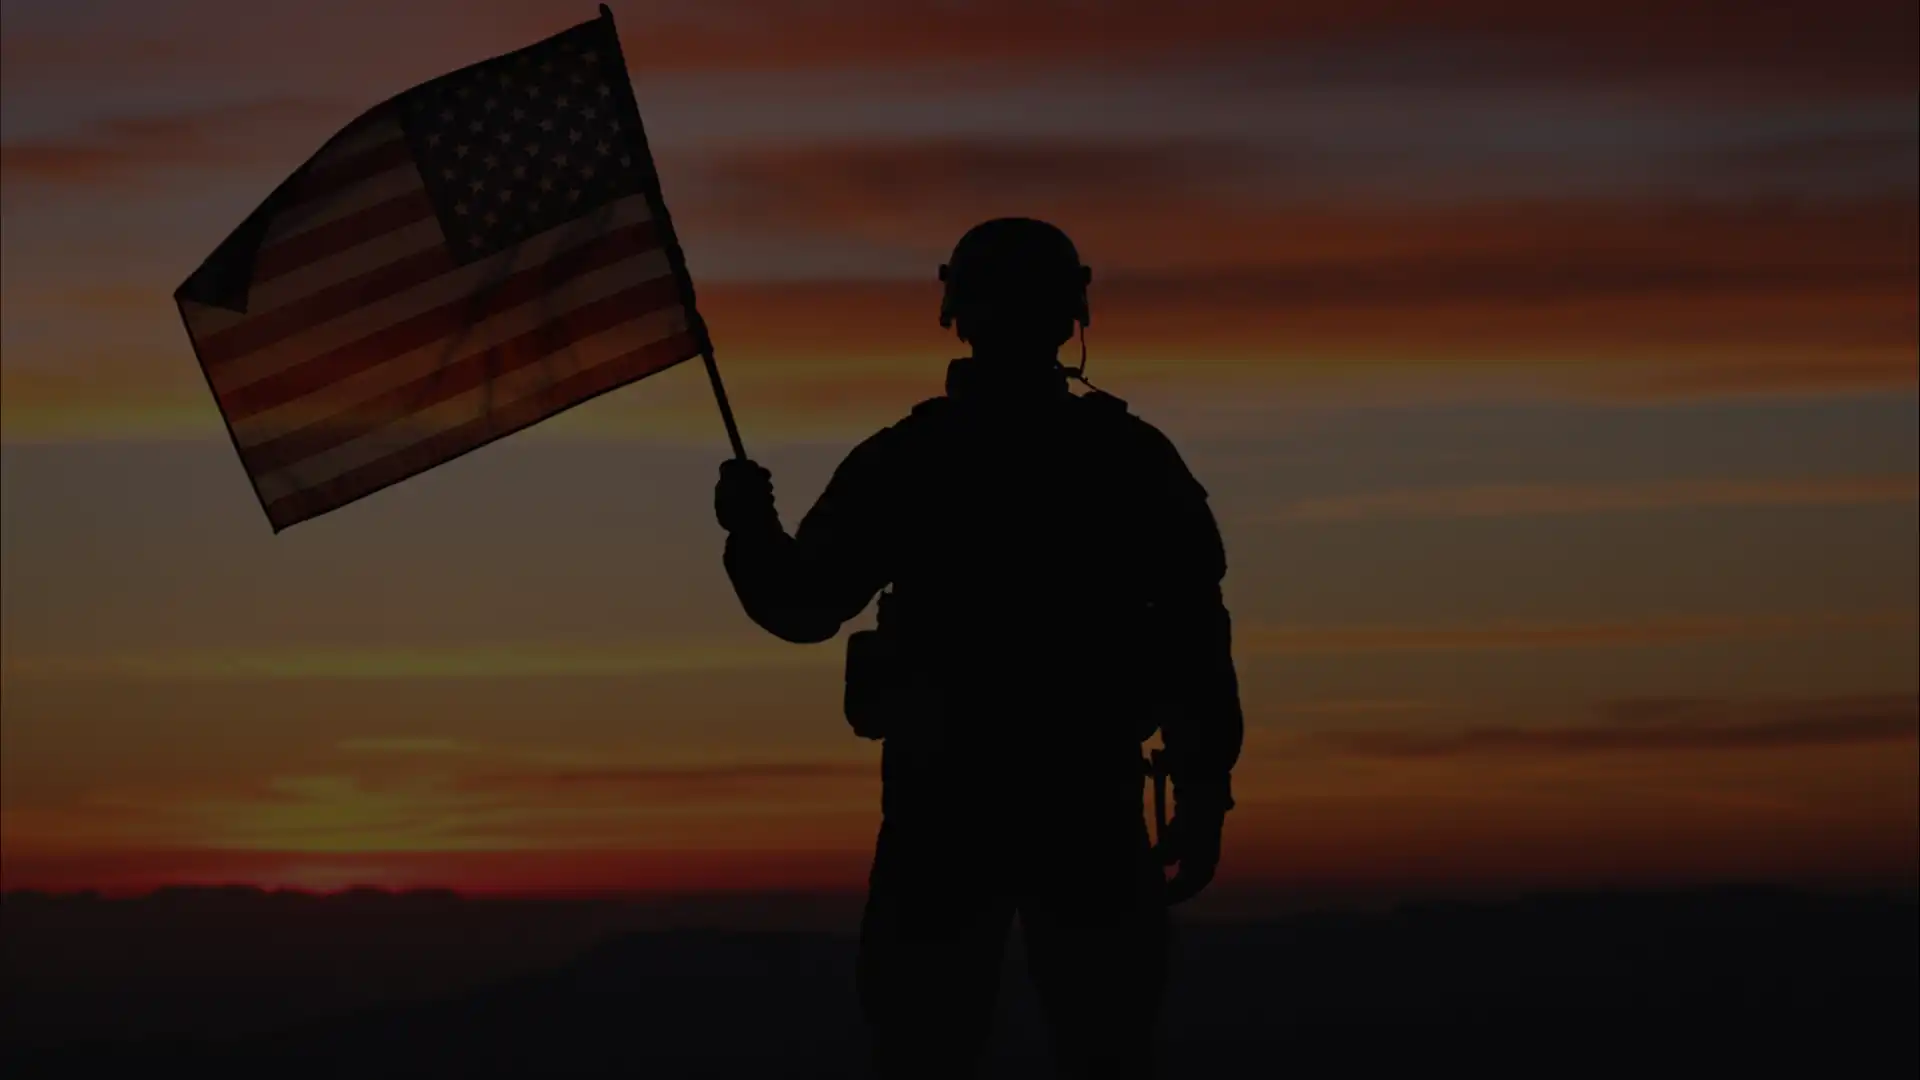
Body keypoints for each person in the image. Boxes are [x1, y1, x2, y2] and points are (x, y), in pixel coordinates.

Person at [713, 218, 1243, 1079]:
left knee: (927, 1037)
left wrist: (748, 525)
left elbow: (804, 604)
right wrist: (1204, 788)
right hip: (1079, 796)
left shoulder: (909, 459)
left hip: (945, 804)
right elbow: (1193, 635)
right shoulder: (1128, 457)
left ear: (957, 312)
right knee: (1102, 1035)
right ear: (1072, 314)